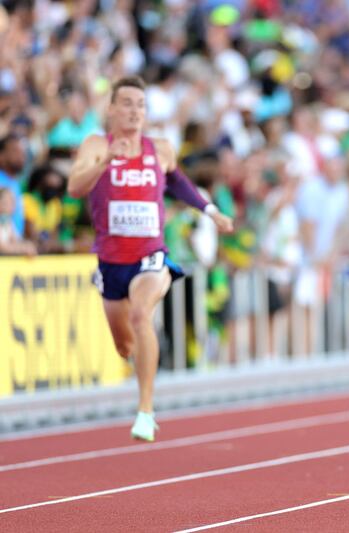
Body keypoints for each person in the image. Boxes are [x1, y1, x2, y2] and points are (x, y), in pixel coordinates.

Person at [67, 76, 233, 441]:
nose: (135, 110)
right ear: (111, 108)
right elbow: (75, 187)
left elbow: (177, 183)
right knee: (123, 345)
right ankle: (138, 371)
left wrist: (211, 211)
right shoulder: (96, 145)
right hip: (111, 261)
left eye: (141, 104)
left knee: (142, 314)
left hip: (150, 255)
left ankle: (145, 410)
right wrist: (103, 163)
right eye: (126, 103)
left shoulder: (159, 148)